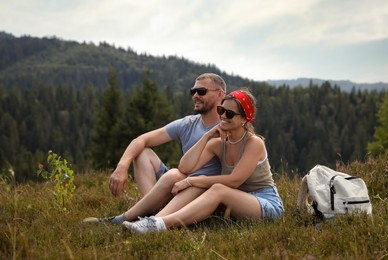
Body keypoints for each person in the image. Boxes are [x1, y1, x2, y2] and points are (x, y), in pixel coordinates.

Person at [121, 88, 284, 233]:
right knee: (209, 187)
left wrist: (193, 181)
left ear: (244, 119)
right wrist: (206, 137)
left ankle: (158, 224)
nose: (223, 116)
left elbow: (234, 181)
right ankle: (153, 221)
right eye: (221, 110)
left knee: (216, 188)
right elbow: (185, 167)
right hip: (238, 202)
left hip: (265, 203)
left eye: (230, 114)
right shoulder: (218, 144)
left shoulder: (254, 143)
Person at [92, 73, 227, 225]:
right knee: (142, 152)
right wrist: (122, 166)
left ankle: (124, 219)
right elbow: (141, 139)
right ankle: (149, 213)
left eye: (201, 91)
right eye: (192, 92)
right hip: (177, 186)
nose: (195, 95)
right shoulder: (187, 123)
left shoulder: (228, 128)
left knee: (175, 174)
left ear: (220, 94)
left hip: (201, 191)